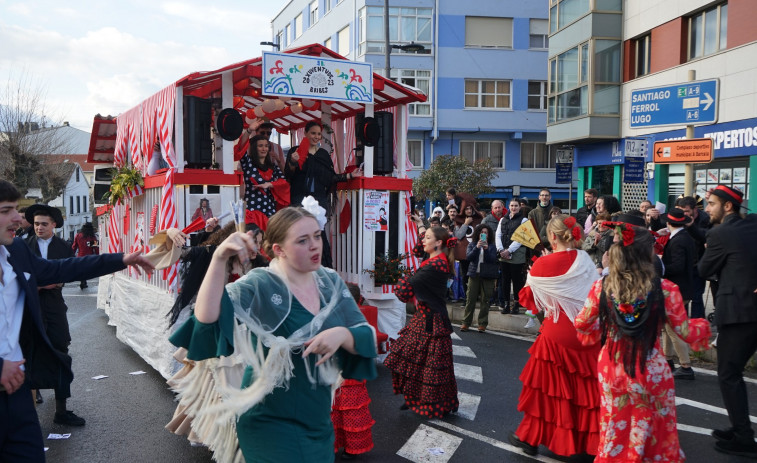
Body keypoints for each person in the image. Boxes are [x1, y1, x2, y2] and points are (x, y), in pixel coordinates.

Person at [169, 206, 377, 462]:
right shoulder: (262, 282)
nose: (315, 245)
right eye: (302, 240)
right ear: (278, 249)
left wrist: (343, 335)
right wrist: (219, 258)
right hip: (268, 421)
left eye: (316, 235)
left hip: (318, 421)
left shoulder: (330, 282)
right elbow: (206, 318)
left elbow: (365, 334)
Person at [0, 180, 153, 462]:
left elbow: (63, 267)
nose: (18, 219)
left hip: (17, 389)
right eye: (7, 210)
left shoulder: (16, 252)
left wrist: (121, 259)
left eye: (16, 210)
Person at [575, 225, 711, 462]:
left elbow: (582, 324)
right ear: (647, 254)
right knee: (654, 431)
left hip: (612, 368)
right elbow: (686, 331)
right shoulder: (666, 289)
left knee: (614, 427)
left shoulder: (602, 288)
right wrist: (709, 325)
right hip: (652, 370)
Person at [509, 215, 600, 460]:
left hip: (556, 334)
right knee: (586, 392)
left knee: (545, 392)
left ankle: (529, 437)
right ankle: (589, 443)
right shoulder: (586, 261)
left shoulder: (542, 264)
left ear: (552, 236)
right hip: (587, 334)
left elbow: (529, 301)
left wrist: (533, 276)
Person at [697, 185, 757, 459]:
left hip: (738, 313)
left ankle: (743, 436)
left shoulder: (720, 233)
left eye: (711, 204)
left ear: (727, 207)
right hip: (750, 312)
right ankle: (739, 428)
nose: (707, 209)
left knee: (729, 374)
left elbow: (704, 269)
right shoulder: (753, 224)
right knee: (732, 374)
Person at [384, 227, 459, 418]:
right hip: (424, 317)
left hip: (432, 320)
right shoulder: (434, 259)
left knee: (431, 366)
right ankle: (414, 398)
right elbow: (418, 250)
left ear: (439, 243)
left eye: (427, 238)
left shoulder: (434, 265)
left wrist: (398, 277)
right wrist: (421, 227)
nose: (423, 241)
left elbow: (404, 293)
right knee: (413, 359)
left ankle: (432, 404)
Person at [24, 205, 81, 424]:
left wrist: (49, 282)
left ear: (54, 225)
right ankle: (30, 406)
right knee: (30, 352)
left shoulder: (64, 247)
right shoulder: (24, 246)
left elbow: (69, 273)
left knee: (61, 351)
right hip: (30, 305)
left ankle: (61, 409)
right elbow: (20, 278)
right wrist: (41, 285)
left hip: (55, 306)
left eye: (43, 224)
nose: (39, 227)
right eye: (36, 223)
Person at [285, 121, 361, 267]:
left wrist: (350, 176)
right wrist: (292, 163)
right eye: (313, 133)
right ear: (305, 133)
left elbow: (330, 177)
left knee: (318, 234)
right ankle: (298, 266)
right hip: (299, 199)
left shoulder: (323, 155)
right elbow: (288, 175)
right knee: (299, 233)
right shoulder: (295, 151)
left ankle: (323, 268)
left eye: (319, 134)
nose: (316, 136)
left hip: (318, 200)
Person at [660, 208, 698, 380]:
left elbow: (677, 266)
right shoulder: (684, 237)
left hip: (677, 289)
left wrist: (660, 267)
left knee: (673, 328)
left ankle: (685, 365)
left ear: (668, 223)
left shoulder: (678, 241)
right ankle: (668, 359)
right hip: (682, 288)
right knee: (668, 326)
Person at [240, 134, 289, 231]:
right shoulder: (248, 163)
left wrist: (270, 184)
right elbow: (241, 147)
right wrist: (249, 130)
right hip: (252, 209)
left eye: (266, 146)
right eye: (260, 146)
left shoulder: (273, 167)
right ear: (254, 148)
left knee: (269, 240)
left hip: (269, 209)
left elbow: (284, 182)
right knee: (254, 239)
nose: (264, 149)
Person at [461, 224, 498, 332]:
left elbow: (492, 260)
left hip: (487, 275)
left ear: (489, 234)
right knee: (470, 299)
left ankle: (482, 324)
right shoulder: (472, 244)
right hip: (474, 274)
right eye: (482, 232)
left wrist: (486, 249)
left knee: (485, 300)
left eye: (486, 233)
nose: (484, 234)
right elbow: (469, 257)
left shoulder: (491, 246)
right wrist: (477, 248)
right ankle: (466, 323)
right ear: (478, 234)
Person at [496, 199, 528, 314]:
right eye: (512, 205)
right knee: (505, 280)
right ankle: (506, 304)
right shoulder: (503, 219)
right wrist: (500, 249)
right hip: (503, 253)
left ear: (520, 207)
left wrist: (509, 250)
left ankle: (516, 304)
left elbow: (521, 238)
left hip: (516, 254)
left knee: (517, 281)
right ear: (508, 207)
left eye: (516, 206)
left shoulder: (524, 220)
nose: (514, 208)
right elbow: (498, 235)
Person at [71, 222, 99, 289]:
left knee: (82, 269)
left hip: (80, 255)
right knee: (87, 270)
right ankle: (84, 281)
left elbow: (74, 246)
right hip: (89, 256)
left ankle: (83, 281)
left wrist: (71, 254)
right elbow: (95, 248)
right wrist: (98, 255)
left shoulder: (78, 235)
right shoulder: (92, 237)